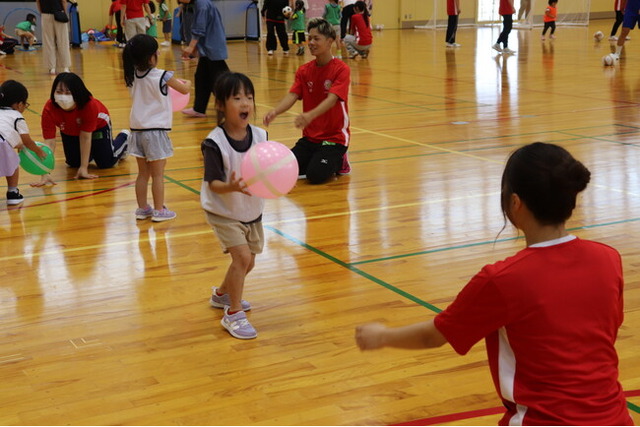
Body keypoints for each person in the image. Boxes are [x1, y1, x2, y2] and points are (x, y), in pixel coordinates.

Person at [355, 142, 634, 426]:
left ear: (515, 202)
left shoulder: (503, 280)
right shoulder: (608, 258)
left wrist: (382, 336)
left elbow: (434, 336)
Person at [201, 72, 267, 340]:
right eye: (237, 98)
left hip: (251, 209)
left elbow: (267, 168)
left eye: (249, 97)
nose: (245, 103)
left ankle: (222, 295)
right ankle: (233, 313)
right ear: (220, 105)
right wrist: (232, 186)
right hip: (223, 210)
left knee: (249, 262)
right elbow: (214, 183)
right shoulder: (214, 142)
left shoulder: (261, 135)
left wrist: (280, 182)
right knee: (241, 258)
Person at [263, 18, 351, 184]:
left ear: (329, 41)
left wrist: (310, 115)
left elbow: (332, 99)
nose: (311, 42)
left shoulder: (341, 69)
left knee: (315, 176)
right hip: (310, 139)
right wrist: (275, 111)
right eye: (309, 38)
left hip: (333, 139)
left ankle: (340, 160)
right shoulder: (304, 71)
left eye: (316, 38)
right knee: (284, 169)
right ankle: (317, 157)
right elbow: (293, 95)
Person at [123, 34, 191, 222]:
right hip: (156, 131)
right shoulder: (163, 75)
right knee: (158, 175)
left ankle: (142, 208)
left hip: (137, 130)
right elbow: (184, 89)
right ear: (150, 57)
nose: (159, 53)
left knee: (142, 174)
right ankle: (159, 210)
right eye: (156, 51)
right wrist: (187, 82)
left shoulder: (132, 74)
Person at [38, 72, 130, 185]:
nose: (63, 96)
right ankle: (91, 152)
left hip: (98, 127)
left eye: (68, 92)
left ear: (77, 93)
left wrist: (84, 167)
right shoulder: (49, 108)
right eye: (59, 92)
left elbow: (85, 137)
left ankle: (125, 138)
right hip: (69, 130)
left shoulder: (89, 105)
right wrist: (45, 172)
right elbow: (49, 142)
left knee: (106, 163)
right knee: (73, 163)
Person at [0, 80, 47, 205]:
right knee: (14, 163)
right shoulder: (16, 116)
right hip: (1, 143)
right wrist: (38, 151)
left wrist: (18, 145)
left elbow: (5, 136)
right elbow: (27, 141)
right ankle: (12, 193)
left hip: (2, 141)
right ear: (19, 104)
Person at [181, 0, 229, 118]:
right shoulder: (198, 4)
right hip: (208, 48)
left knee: (221, 79)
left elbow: (199, 28)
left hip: (212, 47)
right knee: (202, 77)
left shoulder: (202, 4)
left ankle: (231, 106)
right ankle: (199, 108)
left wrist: (191, 46)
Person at [36, 0, 72, 75]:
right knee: (63, 41)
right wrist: (64, 13)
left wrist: (42, 13)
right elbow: (64, 1)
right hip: (59, 13)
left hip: (45, 14)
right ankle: (65, 67)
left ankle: (52, 68)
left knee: (48, 42)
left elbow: (38, 1)